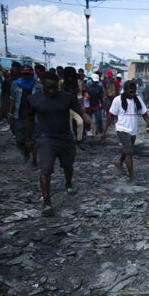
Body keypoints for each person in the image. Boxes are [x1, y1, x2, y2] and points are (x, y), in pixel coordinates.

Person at [25, 72, 95, 216]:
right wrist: (29, 138)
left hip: (65, 138)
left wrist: (90, 122)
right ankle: (47, 202)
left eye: (54, 87)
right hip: (46, 139)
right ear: (42, 84)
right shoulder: (34, 100)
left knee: (68, 165)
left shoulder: (66, 98)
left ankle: (68, 183)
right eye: (48, 87)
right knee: (45, 170)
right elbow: (29, 120)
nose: (52, 90)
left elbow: (81, 111)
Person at [101, 80, 149, 182]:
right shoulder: (117, 100)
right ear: (124, 90)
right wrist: (104, 132)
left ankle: (119, 162)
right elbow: (110, 116)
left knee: (127, 149)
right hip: (122, 129)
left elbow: (144, 113)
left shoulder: (137, 100)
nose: (132, 94)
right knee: (129, 152)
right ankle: (131, 177)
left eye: (133, 92)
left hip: (132, 130)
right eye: (130, 92)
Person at [10, 64, 43, 167]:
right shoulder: (15, 85)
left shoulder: (38, 87)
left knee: (33, 140)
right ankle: (25, 150)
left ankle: (34, 160)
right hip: (19, 116)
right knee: (20, 139)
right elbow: (12, 99)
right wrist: (9, 112)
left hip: (34, 117)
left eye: (28, 74)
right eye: (24, 74)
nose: (26, 77)